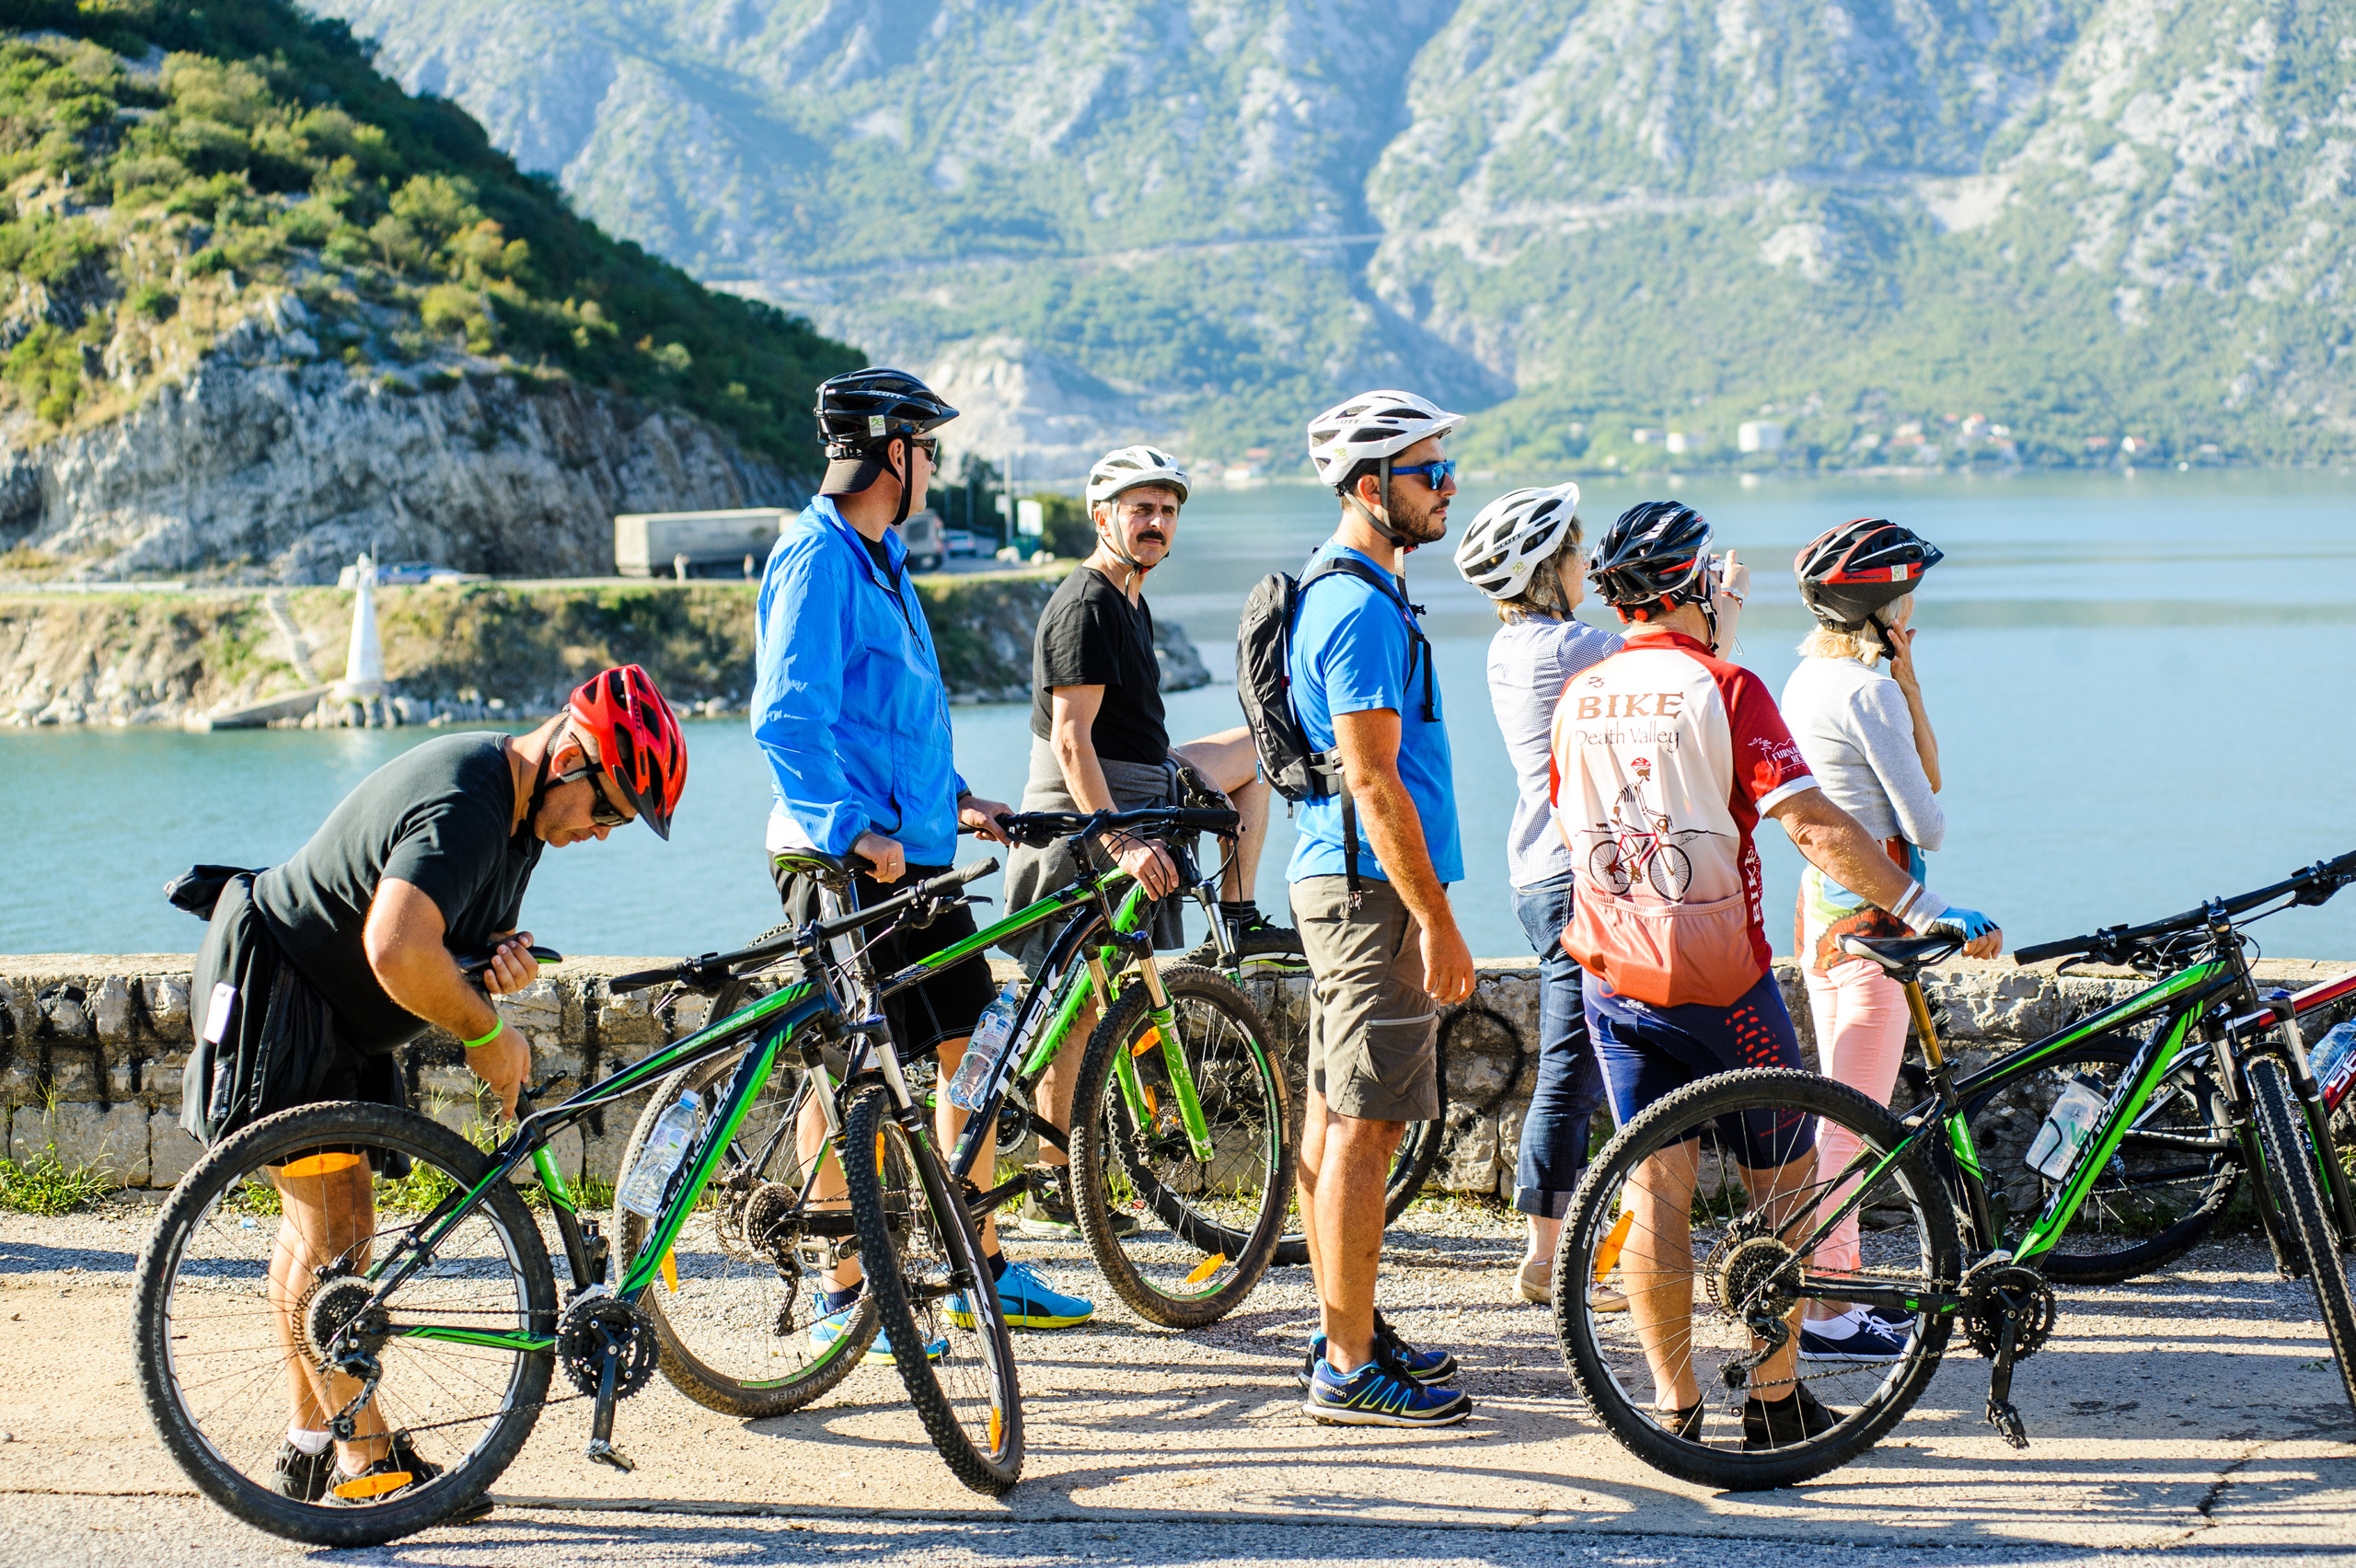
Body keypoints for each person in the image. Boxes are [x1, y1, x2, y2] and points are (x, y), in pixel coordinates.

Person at [178, 664, 688, 1505]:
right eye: (606, 810)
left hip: (328, 1006)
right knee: (336, 1232)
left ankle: (312, 1444)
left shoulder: (515, 815)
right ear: (569, 760)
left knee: (323, 1234)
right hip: (287, 997)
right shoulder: (472, 804)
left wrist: (489, 966)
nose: (603, 833)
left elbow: (434, 940)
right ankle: (367, 1462)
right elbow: (392, 946)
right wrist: (487, 1031)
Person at [1554, 501, 2001, 1447]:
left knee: (1653, 1195)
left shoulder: (1578, 694)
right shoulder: (1724, 684)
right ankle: (1771, 1398)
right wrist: (1921, 911)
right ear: (1686, 585)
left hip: (1614, 979)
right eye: (1714, 571)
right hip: (1720, 984)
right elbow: (1810, 825)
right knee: (1785, 1188)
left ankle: (1672, 1407)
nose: (1729, 587)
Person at [750, 366, 1097, 1340]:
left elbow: (889, 722)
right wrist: (849, 830)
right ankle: (840, 1287)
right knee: (849, 1070)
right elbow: (787, 721)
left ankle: (978, 1261)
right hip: (841, 862)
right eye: (927, 447)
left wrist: (956, 802)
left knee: (971, 1046)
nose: (935, 463)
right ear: (888, 452)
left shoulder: (884, 554)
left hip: (918, 855)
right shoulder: (813, 557)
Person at [999, 444, 1285, 1234]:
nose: (1156, 522)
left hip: (1139, 782)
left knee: (1251, 759)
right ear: (1104, 519)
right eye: (1140, 509)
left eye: (1166, 510)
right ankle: (1055, 1178)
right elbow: (1070, 740)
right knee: (1078, 1008)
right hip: (1090, 814)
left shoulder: (1130, 599)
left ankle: (1237, 918)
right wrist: (1122, 842)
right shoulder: (1087, 603)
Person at [1288, 389, 1476, 1428]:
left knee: (1336, 1115)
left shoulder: (1367, 592)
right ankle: (1347, 1367)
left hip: (1353, 885)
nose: (1448, 488)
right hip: (1370, 895)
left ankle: (1342, 1324)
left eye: (1446, 469)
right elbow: (1372, 779)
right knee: (1366, 1127)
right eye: (1429, 473)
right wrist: (1437, 921)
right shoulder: (1357, 606)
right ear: (1371, 488)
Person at [1782, 517, 1953, 1361]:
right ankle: (1827, 1312)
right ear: (1883, 604)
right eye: (1907, 593)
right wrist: (1902, 691)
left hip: (1822, 907)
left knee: (1841, 1101)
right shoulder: (1865, 692)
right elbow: (1930, 814)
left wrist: (1909, 681)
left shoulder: (1807, 677)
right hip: (1878, 914)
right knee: (1852, 1119)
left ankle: (1833, 1293)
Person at [1451, 483, 1623, 1309]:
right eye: (1576, 551)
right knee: (1581, 1066)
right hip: (1580, 877)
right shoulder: (1571, 647)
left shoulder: (1509, 647)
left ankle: (1554, 1250)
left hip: (1536, 870)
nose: (1587, 562)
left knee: (1574, 1062)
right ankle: (1552, 1257)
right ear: (1546, 566)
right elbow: (1682, 679)